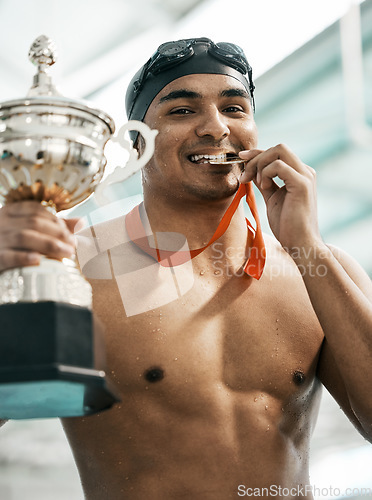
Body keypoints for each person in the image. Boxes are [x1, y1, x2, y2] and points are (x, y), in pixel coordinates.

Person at [0, 37, 372, 499]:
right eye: (182, 110)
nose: (216, 127)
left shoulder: (319, 271)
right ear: (136, 142)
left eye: (235, 108)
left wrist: (308, 247)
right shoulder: (79, 264)